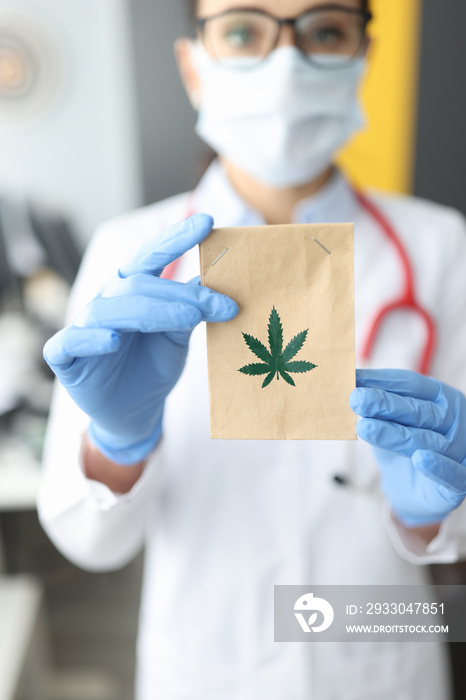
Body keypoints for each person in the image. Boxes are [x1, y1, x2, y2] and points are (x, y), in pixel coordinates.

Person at [38, 0, 466, 698]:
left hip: (379, 656)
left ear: (364, 56)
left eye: (324, 31)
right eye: (243, 30)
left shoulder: (442, 245)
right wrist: (116, 445)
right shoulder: (127, 253)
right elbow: (91, 544)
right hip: (207, 665)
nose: (287, 64)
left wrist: (433, 514)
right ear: (193, 65)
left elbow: (457, 521)